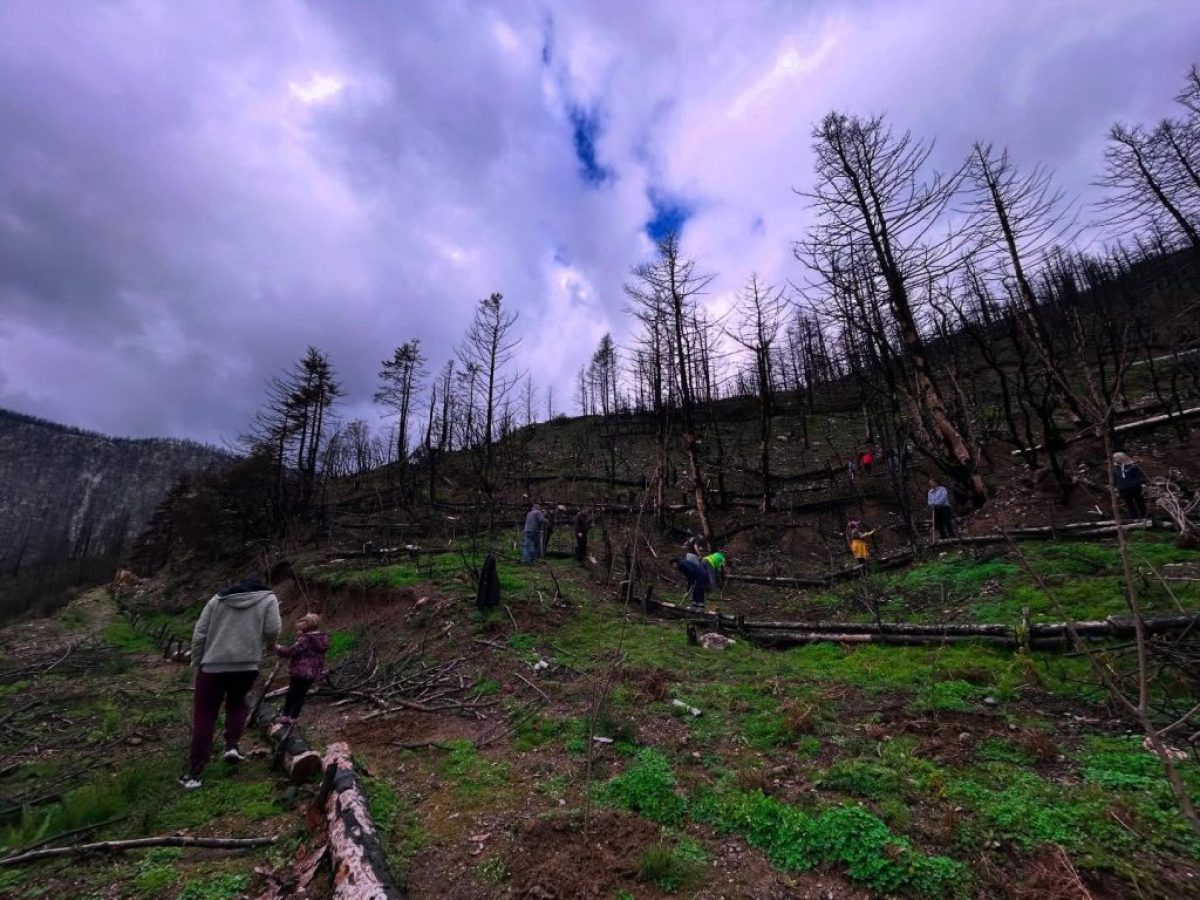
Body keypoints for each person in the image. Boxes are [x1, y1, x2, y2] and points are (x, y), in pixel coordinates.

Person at [182, 575, 281, 790]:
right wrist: (266, 646)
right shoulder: (268, 599)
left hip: (213, 666)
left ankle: (195, 774)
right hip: (246, 666)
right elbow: (273, 629)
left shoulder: (217, 600)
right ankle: (232, 746)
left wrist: (197, 661)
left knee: (205, 715)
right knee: (238, 704)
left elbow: (200, 633)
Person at [275, 613, 330, 723]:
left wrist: (278, 648)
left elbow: (292, 651)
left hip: (299, 671)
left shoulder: (306, 638)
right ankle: (294, 718)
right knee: (301, 694)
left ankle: (285, 716)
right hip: (313, 672)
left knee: (292, 692)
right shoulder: (323, 638)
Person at [1113, 452, 1149, 519]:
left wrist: (1139, 484)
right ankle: (1134, 517)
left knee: (1139, 501)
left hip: (1134, 487)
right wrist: (1116, 487)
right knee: (1129, 503)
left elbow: (1138, 476)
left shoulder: (1133, 466)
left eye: (1116, 458)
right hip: (1123, 489)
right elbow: (1115, 478)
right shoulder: (1115, 468)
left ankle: (1144, 515)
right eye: (1114, 458)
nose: (1115, 459)